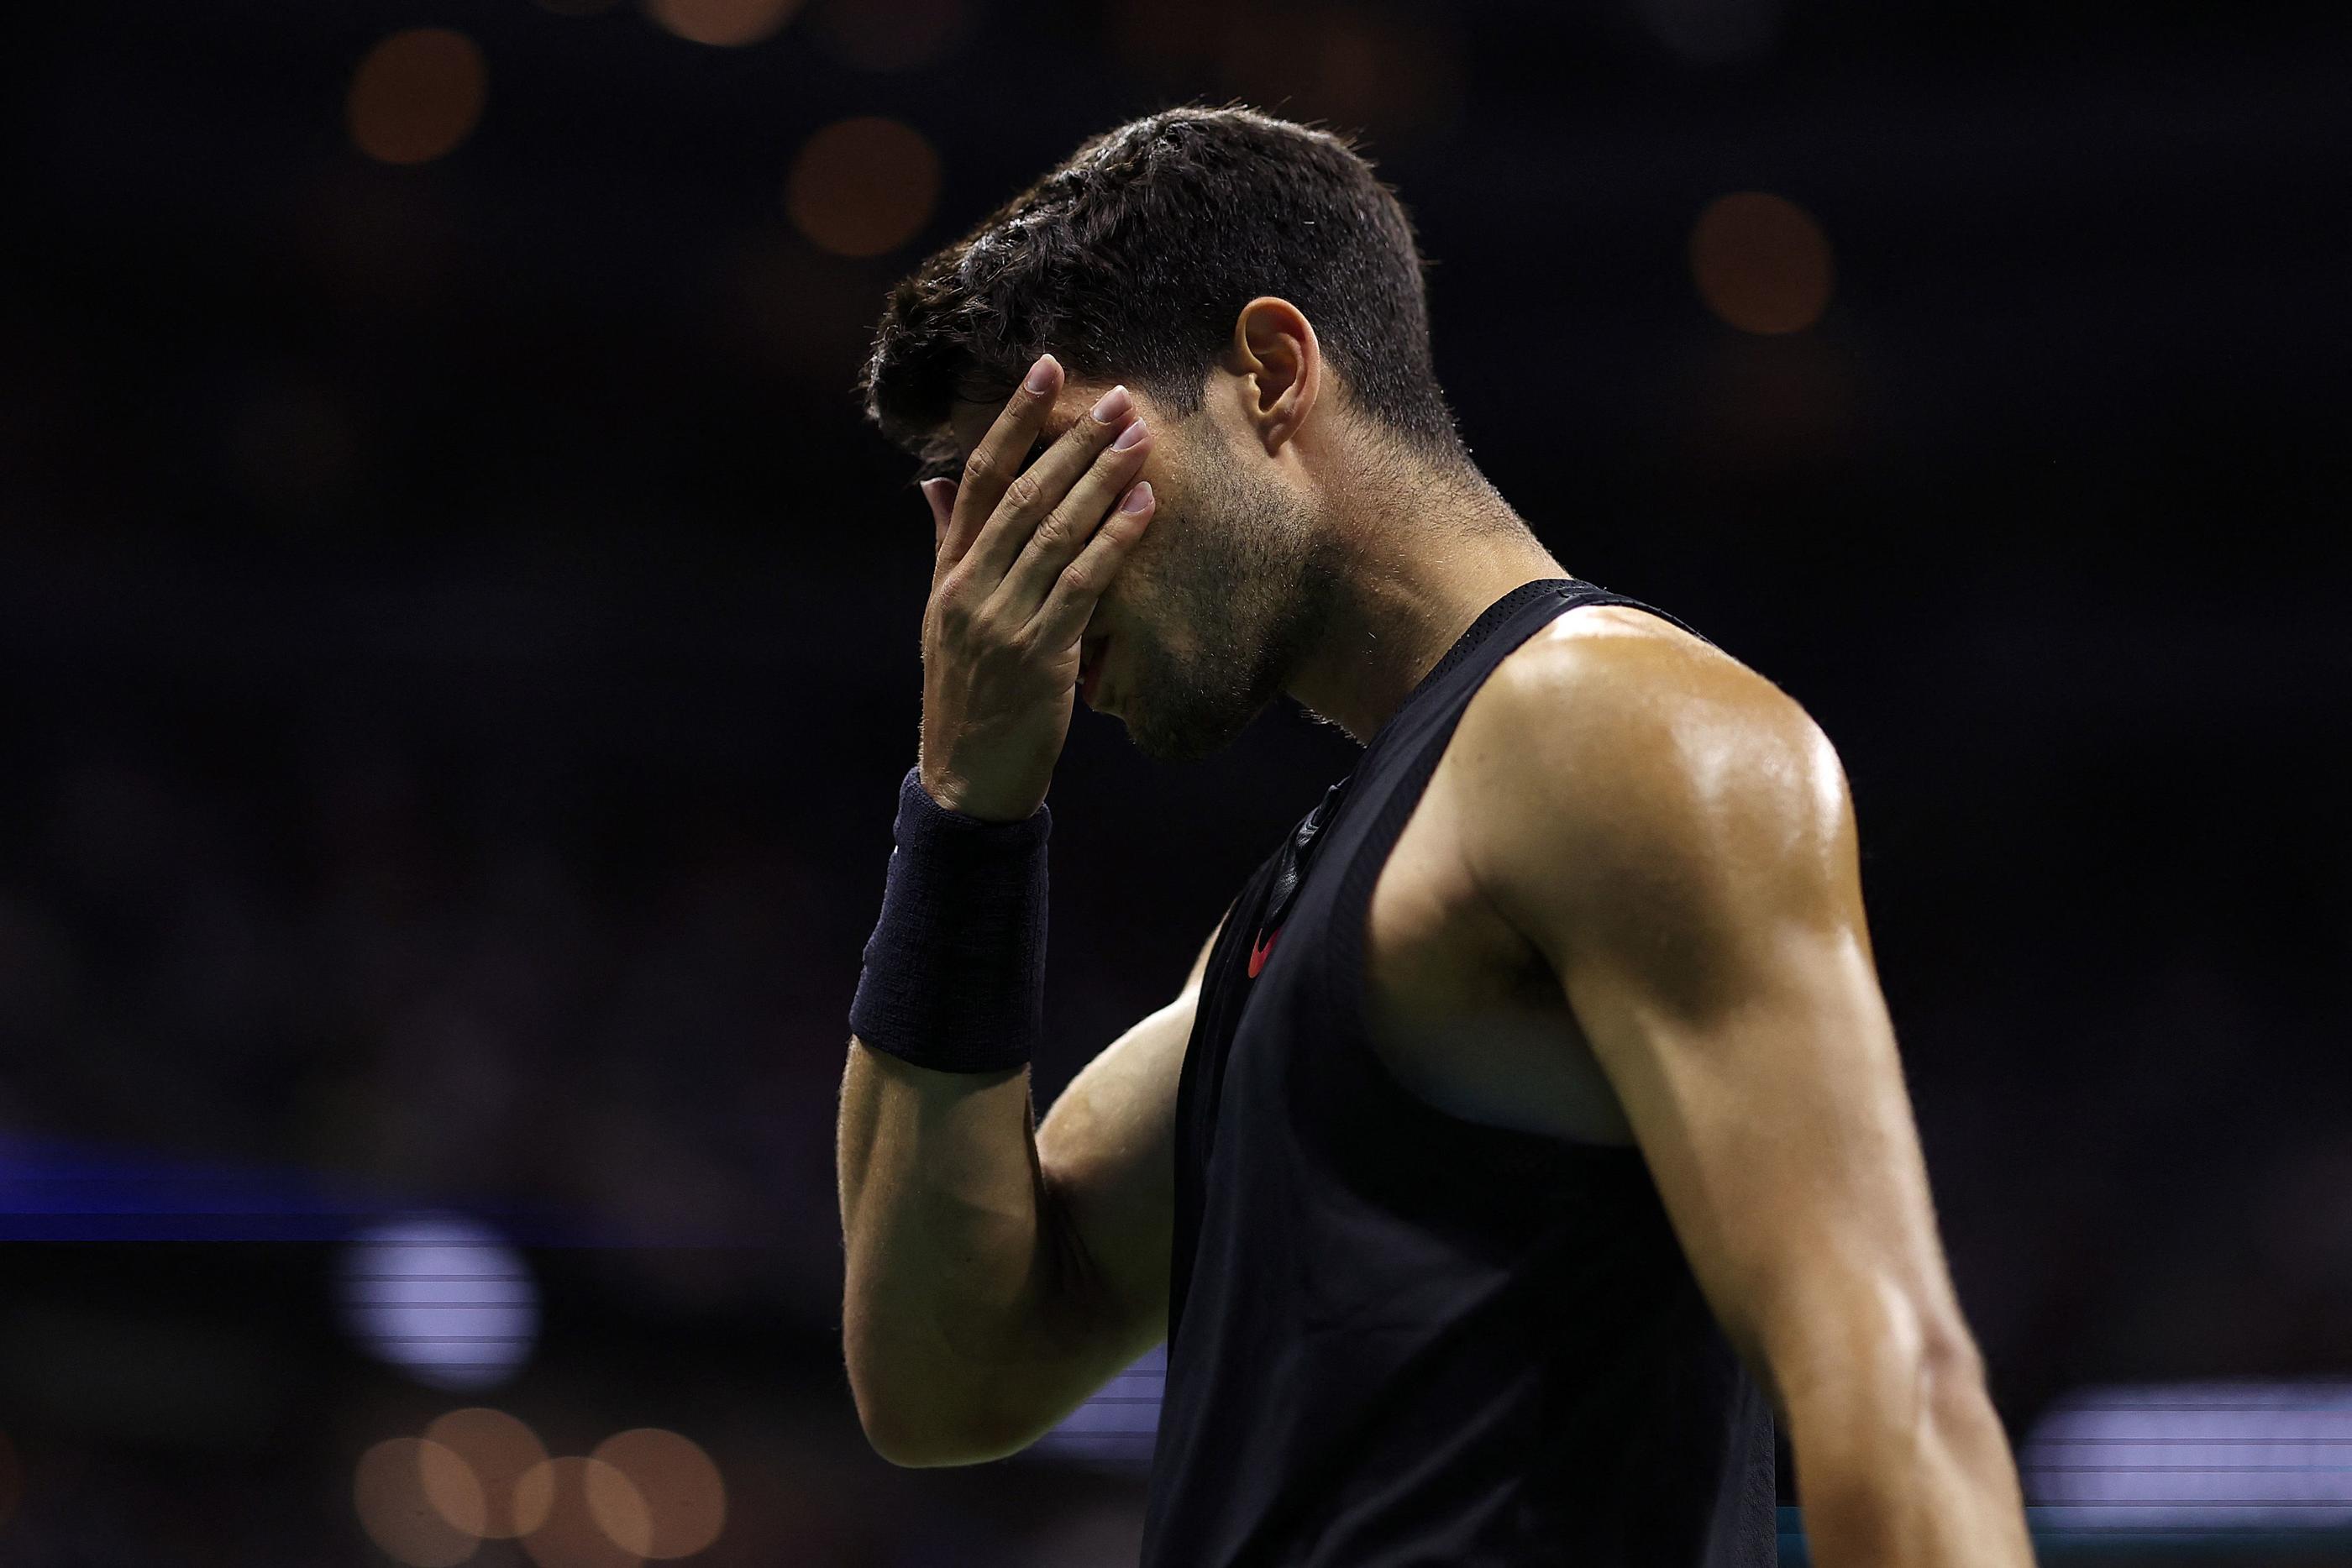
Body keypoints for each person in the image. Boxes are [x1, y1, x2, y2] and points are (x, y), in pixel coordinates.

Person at [834, 106, 2032, 1566]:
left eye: (1054, 489)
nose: (1014, 594)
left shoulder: (1618, 728)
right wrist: (965, 808)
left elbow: (1893, 1395)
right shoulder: (1318, 892)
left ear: (1271, 374)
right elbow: (943, 1373)